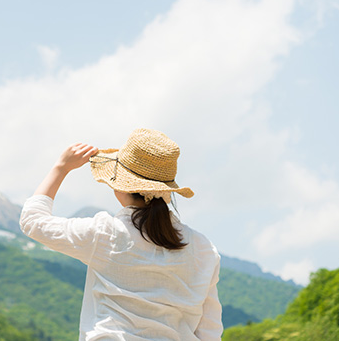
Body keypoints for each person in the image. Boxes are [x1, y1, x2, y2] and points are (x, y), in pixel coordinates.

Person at [19, 128, 222, 341]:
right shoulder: (203, 248)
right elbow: (210, 331)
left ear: (120, 184)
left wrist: (60, 167)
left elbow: (32, 221)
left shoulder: (106, 234)